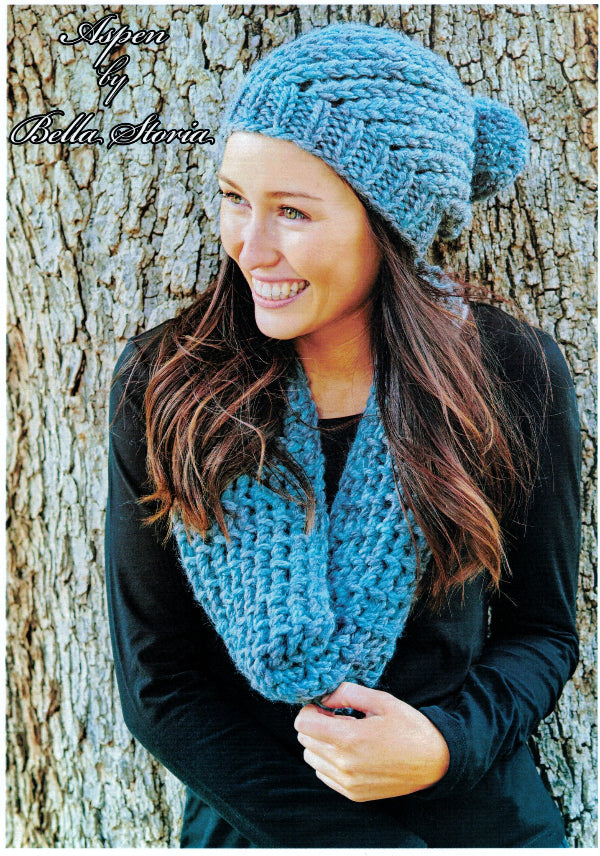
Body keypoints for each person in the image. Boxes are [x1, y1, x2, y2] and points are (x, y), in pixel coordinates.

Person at [106, 23, 581, 848]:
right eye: (234, 198)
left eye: (292, 211)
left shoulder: (508, 370)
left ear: (388, 224)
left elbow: (542, 632)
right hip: (259, 827)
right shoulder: (169, 384)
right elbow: (161, 685)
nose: (249, 248)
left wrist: (442, 745)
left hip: (480, 822)